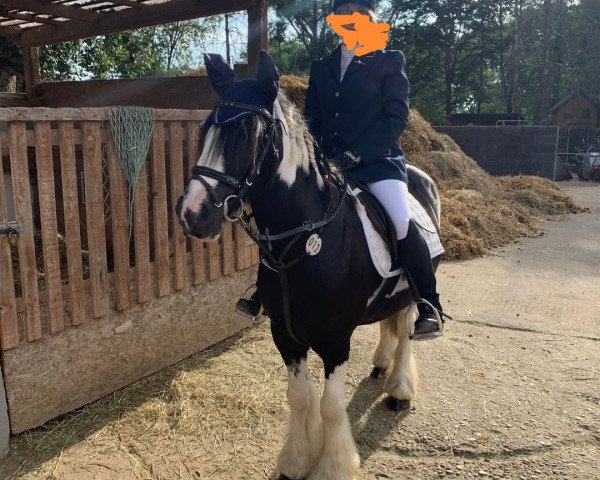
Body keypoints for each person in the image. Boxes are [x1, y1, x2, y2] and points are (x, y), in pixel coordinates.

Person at [236, 0, 443, 340]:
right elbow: (313, 119)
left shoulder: (390, 61)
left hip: (376, 164)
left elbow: (395, 118)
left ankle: (428, 305)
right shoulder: (323, 66)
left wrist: (357, 155)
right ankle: (264, 292)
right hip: (328, 164)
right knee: (286, 212)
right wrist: (314, 154)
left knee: (400, 222)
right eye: (343, 14)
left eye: (357, 14)